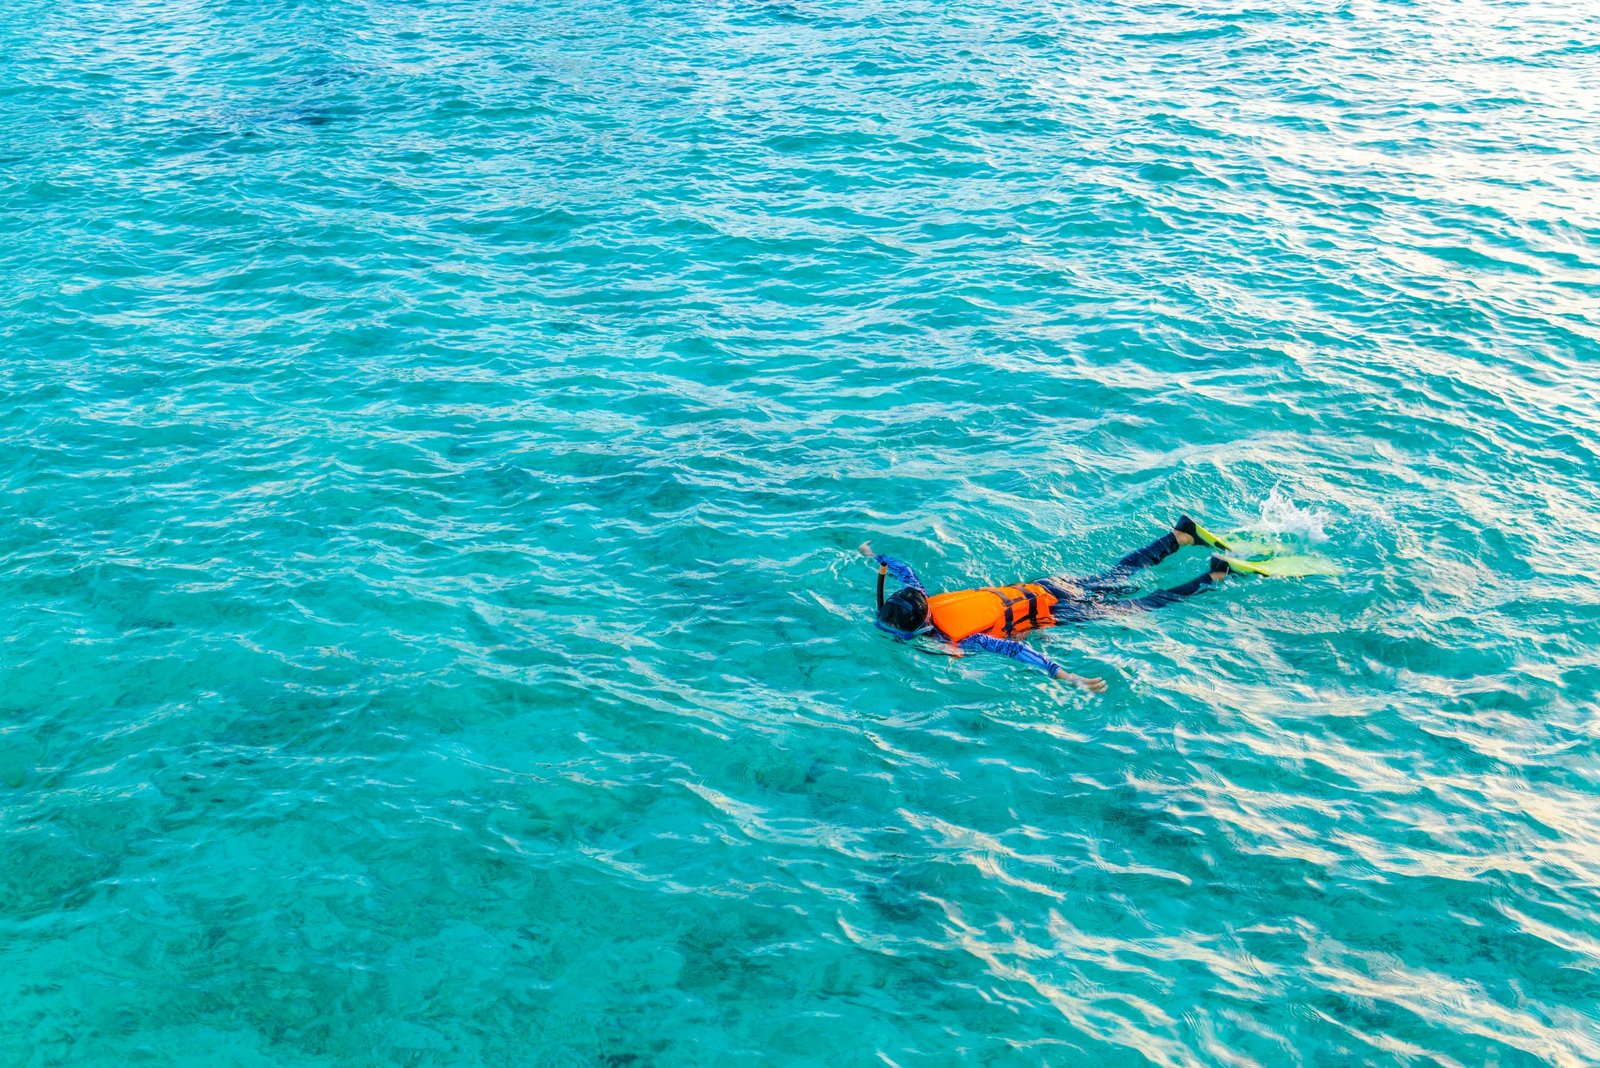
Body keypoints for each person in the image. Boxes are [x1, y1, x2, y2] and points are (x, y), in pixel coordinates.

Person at [861, 515, 1262, 692]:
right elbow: (904, 570)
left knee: (1142, 605)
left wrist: (1063, 675)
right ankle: (1180, 537)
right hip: (1049, 588)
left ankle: (1214, 576)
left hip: (1060, 610)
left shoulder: (966, 639)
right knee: (1119, 574)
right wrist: (876, 557)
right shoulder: (925, 597)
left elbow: (1014, 649)